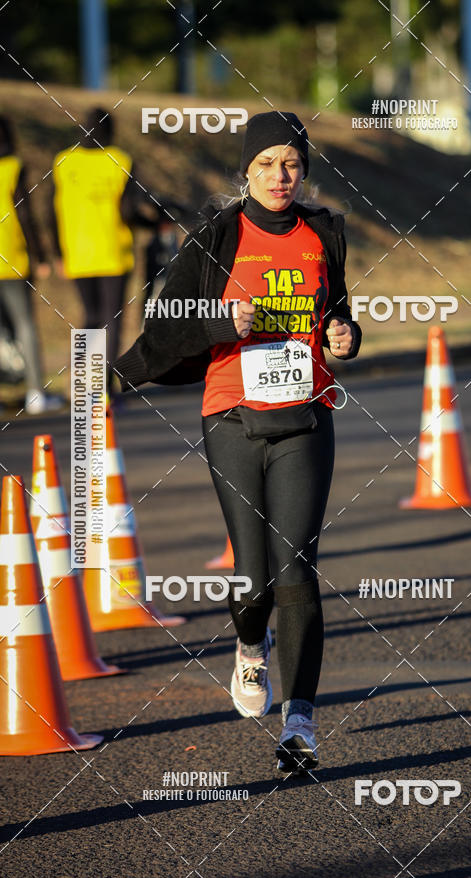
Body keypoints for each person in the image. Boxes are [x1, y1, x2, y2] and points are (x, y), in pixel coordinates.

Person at [115, 111, 361, 774]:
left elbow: (336, 308)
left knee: (295, 568)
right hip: (231, 416)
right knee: (253, 581)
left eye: (292, 164)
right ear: (247, 171)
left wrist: (344, 335)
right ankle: (251, 648)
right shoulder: (219, 235)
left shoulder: (323, 232)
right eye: (267, 164)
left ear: (304, 171)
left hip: (306, 415)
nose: (281, 176)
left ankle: (300, 723)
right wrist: (220, 320)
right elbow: (167, 319)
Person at [50, 107, 151, 394]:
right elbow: (129, 210)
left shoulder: (63, 161)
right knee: (111, 319)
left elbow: (51, 210)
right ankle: (104, 385)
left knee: (90, 315)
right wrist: (152, 224)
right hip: (113, 252)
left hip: (77, 253)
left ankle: (83, 382)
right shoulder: (120, 160)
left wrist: (57, 253)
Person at [0, 115, 62, 414]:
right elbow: (23, 214)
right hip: (11, 257)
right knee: (25, 324)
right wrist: (39, 256)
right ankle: (35, 393)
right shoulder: (12, 167)